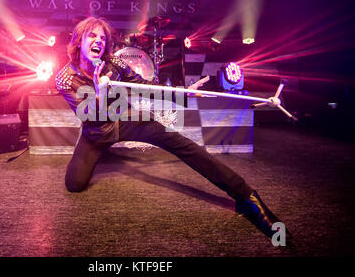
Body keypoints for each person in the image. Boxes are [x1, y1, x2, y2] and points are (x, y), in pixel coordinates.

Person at [55, 16, 289, 239]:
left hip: (126, 119)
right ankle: (103, 153)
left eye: (103, 38)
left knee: (181, 143)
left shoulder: (113, 63)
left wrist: (184, 94)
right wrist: (99, 92)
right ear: (79, 41)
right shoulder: (65, 78)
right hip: (96, 133)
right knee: (74, 185)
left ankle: (246, 196)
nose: (98, 41)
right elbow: (89, 116)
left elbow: (146, 87)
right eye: (91, 36)